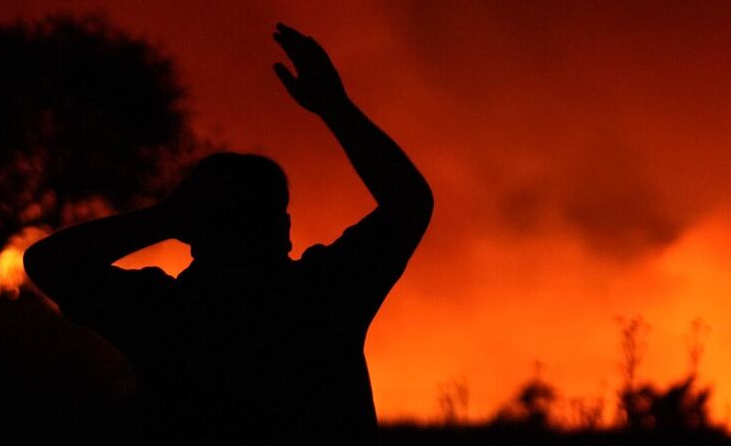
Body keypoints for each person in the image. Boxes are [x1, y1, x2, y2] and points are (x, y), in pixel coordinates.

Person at [25, 23, 433, 444]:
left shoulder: (165, 314)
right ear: (283, 228)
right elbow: (410, 203)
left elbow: (47, 262)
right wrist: (334, 107)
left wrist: (166, 217)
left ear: (193, 231)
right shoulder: (324, 294)